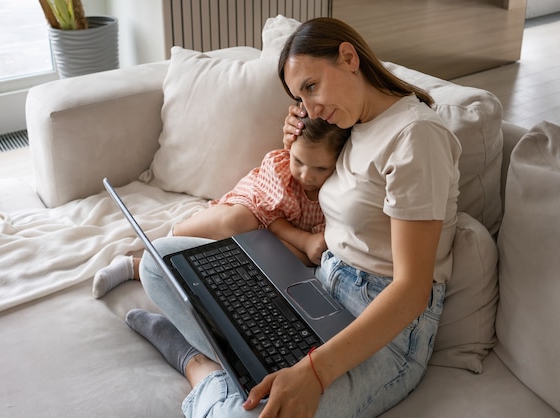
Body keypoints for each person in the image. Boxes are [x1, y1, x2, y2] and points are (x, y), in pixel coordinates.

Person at [129, 17, 462, 418]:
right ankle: (238, 366)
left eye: (311, 87)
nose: (310, 106)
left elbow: (411, 290)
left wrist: (314, 372)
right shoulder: (350, 121)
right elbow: (314, 183)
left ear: (348, 57)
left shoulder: (417, 137)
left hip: (386, 331)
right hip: (318, 286)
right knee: (158, 260)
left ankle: (200, 367)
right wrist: (297, 140)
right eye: (300, 98)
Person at [92, 116, 350, 298]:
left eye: (320, 168)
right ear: (289, 149)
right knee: (239, 222)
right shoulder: (281, 169)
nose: (306, 175)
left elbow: (314, 253)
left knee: (268, 258)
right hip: (259, 212)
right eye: (299, 161)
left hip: (282, 241)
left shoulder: (336, 193)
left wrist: (307, 246)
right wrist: (304, 240)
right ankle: (151, 256)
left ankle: (145, 269)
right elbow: (268, 216)